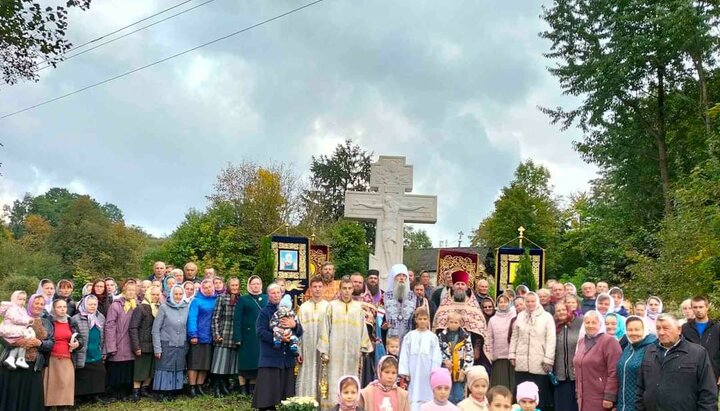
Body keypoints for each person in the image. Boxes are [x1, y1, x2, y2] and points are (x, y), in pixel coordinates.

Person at [636, 313, 718, 410]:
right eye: (658, 328)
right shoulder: (649, 351)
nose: (661, 332)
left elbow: (708, 392)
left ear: (679, 330)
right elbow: (640, 388)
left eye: (666, 328)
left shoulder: (697, 353)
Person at [318, 277, 373, 410]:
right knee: (333, 381)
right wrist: (324, 351)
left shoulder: (357, 308)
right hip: (334, 353)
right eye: (344, 288)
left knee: (351, 382)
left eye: (349, 289)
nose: (347, 292)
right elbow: (325, 328)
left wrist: (364, 347)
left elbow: (362, 329)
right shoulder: (331, 306)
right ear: (340, 289)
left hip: (352, 355)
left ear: (353, 290)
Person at [253, 283, 304, 411]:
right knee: (268, 396)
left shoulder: (290, 312)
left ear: (282, 294)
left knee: (285, 397)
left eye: (278, 293)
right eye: (272, 293)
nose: (276, 295)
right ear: (268, 295)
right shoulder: (265, 312)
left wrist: (294, 325)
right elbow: (260, 332)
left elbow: (299, 332)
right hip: (271, 358)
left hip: (287, 360)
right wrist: (278, 338)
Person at [0, 294, 54, 411]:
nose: (39, 306)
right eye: (36, 303)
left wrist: (39, 343)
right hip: (12, 364)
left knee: (31, 400)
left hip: (33, 366)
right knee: (11, 398)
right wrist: (18, 343)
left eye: (42, 304)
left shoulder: (46, 322)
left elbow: (51, 343)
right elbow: (3, 335)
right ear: (30, 303)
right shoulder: (17, 315)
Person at [433, 270, 490, 370]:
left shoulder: (473, 306)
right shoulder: (445, 305)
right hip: (447, 349)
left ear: (466, 286)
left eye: (462, 284)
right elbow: (438, 327)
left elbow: (480, 330)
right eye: (457, 284)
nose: (460, 286)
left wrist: (477, 348)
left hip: (468, 350)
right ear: (453, 286)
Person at [508, 292, 555, 409]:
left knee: (538, 395)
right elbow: (515, 336)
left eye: (533, 301)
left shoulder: (546, 317)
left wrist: (548, 360)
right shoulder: (520, 316)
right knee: (521, 394)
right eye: (527, 301)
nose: (530, 304)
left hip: (539, 363)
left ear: (537, 301)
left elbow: (551, 340)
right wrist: (512, 355)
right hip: (521, 362)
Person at [573, 310, 622, 411]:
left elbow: (614, 371)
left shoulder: (609, 341)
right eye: (587, 322)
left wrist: (609, 396)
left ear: (600, 324)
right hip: (584, 397)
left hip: (601, 397)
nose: (590, 325)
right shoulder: (582, 341)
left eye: (594, 322)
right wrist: (578, 393)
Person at [400, 307, 443, 411]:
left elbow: (436, 356)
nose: (422, 321)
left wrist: (434, 371)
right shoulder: (409, 336)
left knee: (427, 392)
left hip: (427, 371)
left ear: (428, 320)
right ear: (416, 320)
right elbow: (404, 354)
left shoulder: (432, 337)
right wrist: (405, 372)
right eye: (420, 319)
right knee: (413, 392)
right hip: (413, 369)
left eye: (424, 319)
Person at [152, 285, 189, 401]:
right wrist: (157, 348)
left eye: (180, 294)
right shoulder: (164, 307)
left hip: (180, 344)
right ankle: (162, 392)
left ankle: (173, 391)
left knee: (176, 367)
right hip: (166, 343)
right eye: (175, 294)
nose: (178, 296)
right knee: (164, 368)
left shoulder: (186, 307)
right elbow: (155, 329)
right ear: (171, 294)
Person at [43, 299, 81, 409]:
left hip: (67, 357)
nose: (62, 309)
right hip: (52, 357)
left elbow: (80, 338)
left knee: (65, 384)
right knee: (51, 385)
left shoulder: (71, 321)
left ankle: (62, 407)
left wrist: (78, 344)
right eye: (59, 307)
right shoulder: (48, 321)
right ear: (54, 309)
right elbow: (43, 338)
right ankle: (48, 407)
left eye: (64, 307)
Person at [296, 276, 330, 401]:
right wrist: (299, 351)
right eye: (314, 287)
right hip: (308, 348)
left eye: (320, 287)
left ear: (323, 288)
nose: (317, 289)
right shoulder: (303, 308)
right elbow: (298, 331)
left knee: (324, 373)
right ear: (310, 289)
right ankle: (307, 402)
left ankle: (323, 404)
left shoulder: (328, 307)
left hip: (323, 349)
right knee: (308, 373)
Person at [104, 280, 138, 400]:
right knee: (117, 368)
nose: (131, 292)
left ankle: (125, 392)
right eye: (129, 290)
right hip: (119, 341)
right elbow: (109, 326)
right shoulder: (116, 305)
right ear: (124, 290)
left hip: (131, 343)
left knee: (128, 367)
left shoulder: (136, 305)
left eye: (133, 290)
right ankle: (114, 392)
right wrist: (111, 345)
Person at [233, 275, 267, 395]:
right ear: (249, 285)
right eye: (253, 284)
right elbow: (237, 319)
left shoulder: (266, 298)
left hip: (260, 336)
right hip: (247, 336)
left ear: (261, 285)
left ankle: (253, 388)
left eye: (258, 284)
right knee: (244, 363)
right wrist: (237, 337)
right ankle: (243, 388)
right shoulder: (243, 299)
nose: (256, 286)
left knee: (256, 363)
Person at [616, 316, 657, 411]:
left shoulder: (652, 348)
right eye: (630, 330)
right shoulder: (628, 347)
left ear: (645, 330)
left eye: (637, 330)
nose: (633, 333)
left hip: (640, 406)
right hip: (623, 405)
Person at [72, 295, 108, 404]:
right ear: (84, 304)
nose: (92, 306)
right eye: (90, 304)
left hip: (96, 349)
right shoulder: (76, 318)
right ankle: (81, 397)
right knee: (82, 374)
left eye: (94, 304)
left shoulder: (100, 317)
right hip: (83, 350)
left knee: (98, 372)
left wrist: (103, 350)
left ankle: (95, 395)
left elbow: (103, 335)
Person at [186, 278, 217, 397]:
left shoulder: (216, 300)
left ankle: (200, 386)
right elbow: (192, 318)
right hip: (198, 336)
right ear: (202, 289)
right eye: (206, 288)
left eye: (210, 287)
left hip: (210, 336)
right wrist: (193, 334)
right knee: (194, 363)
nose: (208, 289)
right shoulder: (197, 301)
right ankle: (192, 387)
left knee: (205, 363)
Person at [210, 277, 241, 397]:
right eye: (232, 285)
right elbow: (216, 318)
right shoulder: (221, 298)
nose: (234, 287)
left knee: (229, 364)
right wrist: (216, 334)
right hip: (223, 334)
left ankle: (224, 385)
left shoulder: (241, 299)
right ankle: (217, 388)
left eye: (236, 285)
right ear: (228, 286)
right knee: (219, 364)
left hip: (235, 335)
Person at [129, 285, 160, 401]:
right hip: (142, 343)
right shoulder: (140, 308)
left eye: (158, 294)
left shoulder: (158, 308)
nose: (156, 297)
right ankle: (136, 391)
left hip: (154, 344)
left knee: (151, 368)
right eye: (153, 294)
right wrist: (136, 346)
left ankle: (144, 389)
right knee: (140, 368)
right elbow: (133, 328)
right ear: (148, 294)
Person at [437, 311, 474, 404]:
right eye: (451, 322)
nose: (453, 324)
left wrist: (464, 370)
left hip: (459, 371)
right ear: (447, 322)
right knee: (446, 395)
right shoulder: (441, 336)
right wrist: (445, 360)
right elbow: (438, 350)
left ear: (460, 323)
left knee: (458, 396)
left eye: (456, 322)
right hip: (446, 370)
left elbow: (470, 353)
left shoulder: (465, 336)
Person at [682, 295, 720, 384]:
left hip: (713, 371)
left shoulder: (717, 327)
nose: (698, 310)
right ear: (692, 308)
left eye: (701, 307)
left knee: (710, 397)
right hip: (690, 372)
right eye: (695, 307)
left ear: (707, 307)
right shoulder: (685, 328)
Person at [553, 301, 582, 411]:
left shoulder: (578, 322)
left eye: (563, 310)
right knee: (561, 405)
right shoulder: (554, 325)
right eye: (558, 310)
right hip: (559, 374)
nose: (561, 312)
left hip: (575, 373)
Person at [487, 294, 516, 392]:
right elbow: (489, 338)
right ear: (497, 304)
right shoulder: (492, 320)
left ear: (509, 303)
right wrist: (490, 354)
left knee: (512, 385)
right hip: (498, 357)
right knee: (500, 384)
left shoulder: (515, 317)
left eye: (505, 302)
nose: (503, 304)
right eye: (501, 302)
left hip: (512, 357)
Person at [0, 291, 34, 369]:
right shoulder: (12, 308)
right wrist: (28, 320)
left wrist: (28, 322)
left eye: (24, 299)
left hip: (17, 328)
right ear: (14, 299)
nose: (22, 301)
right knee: (23, 339)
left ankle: (13, 358)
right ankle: (19, 358)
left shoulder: (22, 309)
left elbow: (24, 318)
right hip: (11, 329)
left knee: (21, 342)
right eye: (20, 299)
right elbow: (15, 319)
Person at [384, 264, 418, 342]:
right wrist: (384, 323)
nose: (402, 278)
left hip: (408, 335)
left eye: (404, 275)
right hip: (391, 336)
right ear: (393, 278)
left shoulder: (413, 296)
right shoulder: (385, 296)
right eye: (398, 275)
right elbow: (382, 315)